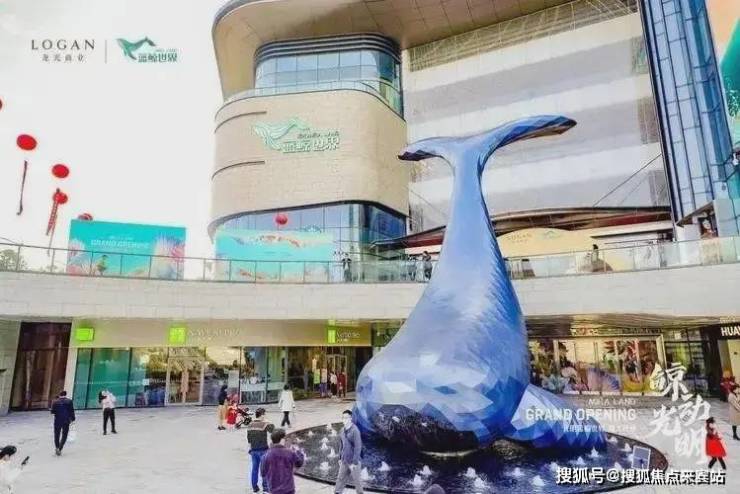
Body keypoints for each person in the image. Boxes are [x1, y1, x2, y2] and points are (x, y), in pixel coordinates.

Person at [260, 428, 304, 494]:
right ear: (282, 439)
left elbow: (263, 473)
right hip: (288, 489)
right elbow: (299, 463)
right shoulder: (290, 453)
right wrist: (299, 452)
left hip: (274, 489)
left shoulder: (265, 455)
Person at [246, 408, 275, 493]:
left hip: (253, 450)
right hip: (263, 450)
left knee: (254, 469)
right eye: (264, 414)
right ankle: (266, 489)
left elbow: (249, 438)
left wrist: (250, 449)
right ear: (262, 415)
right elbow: (273, 430)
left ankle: (255, 487)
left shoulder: (250, 424)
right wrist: (268, 421)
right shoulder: (264, 424)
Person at [335, 409, 363, 494]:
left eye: (346, 417)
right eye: (343, 417)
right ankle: (337, 492)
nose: (344, 419)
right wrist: (340, 457)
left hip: (353, 462)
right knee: (340, 478)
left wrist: (354, 462)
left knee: (357, 481)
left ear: (351, 418)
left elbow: (358, 447)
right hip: (344, 460)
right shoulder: (342, 430)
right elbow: (341, 445)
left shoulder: (355, 430)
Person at [50, 390, 75, 456]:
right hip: (66, 420)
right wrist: (73, 419)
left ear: (59, 395)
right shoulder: (69, 401)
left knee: (56, 434)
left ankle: (57, 447)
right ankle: (60, 448)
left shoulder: (55, 401)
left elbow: (52, 412)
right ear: (65, 394)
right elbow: (71, 411)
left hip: (57, 420)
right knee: (64, 434)